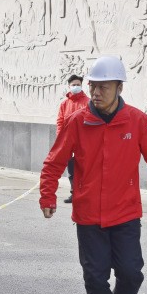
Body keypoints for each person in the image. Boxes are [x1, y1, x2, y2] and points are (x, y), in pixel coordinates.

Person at [39, 55, 147, 294]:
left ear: (118, 86)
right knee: (95, 277)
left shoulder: (137, 120)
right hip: (88, 217)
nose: (96, 93)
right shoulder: (78, 121)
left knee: (131, 273)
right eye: (93, 87)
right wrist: (47, 196)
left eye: (103, 87)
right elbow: (54, 162)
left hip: (125, 214)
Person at [56, 74, 89, 204]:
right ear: (69, 87)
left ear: (81, 86)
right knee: (71, 170)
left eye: (78, 85)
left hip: (84, 142)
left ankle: (84, 194)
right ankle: (73, 193)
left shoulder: (88, 102)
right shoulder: (65, 104)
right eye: (73, 85)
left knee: (85, 169)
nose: (76, 87)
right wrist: (61, 138)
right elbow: (60, 121)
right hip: (69, 142)